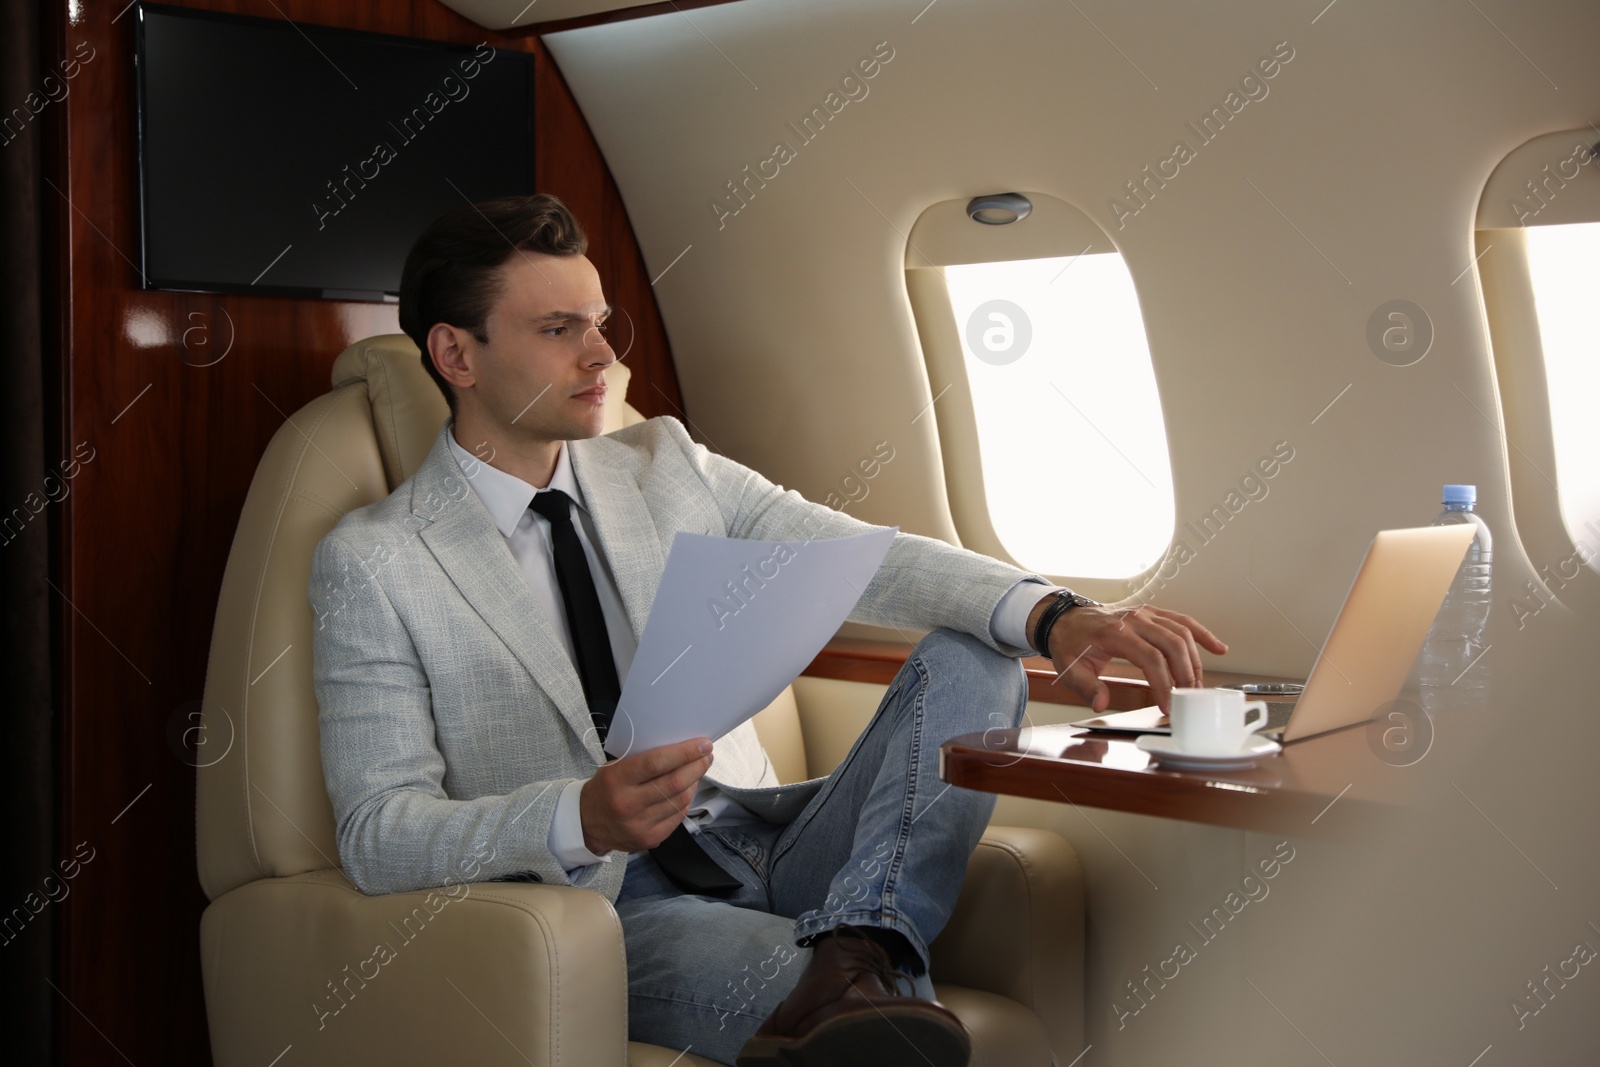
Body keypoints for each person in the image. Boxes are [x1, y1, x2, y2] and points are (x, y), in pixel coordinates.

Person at [309, 194, 1226, 1067]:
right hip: (611, 905)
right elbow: (378, 831)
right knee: (873, 1021)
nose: (600, 357)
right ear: (455, 355)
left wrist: (1055, 614)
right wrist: (576, 816)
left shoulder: (664, 462)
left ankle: (859, 937)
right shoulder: (375, 562)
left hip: (767, 839)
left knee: (974, 648)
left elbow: (870, 556)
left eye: (599, 323)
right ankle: (855, 971)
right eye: (558, 330)